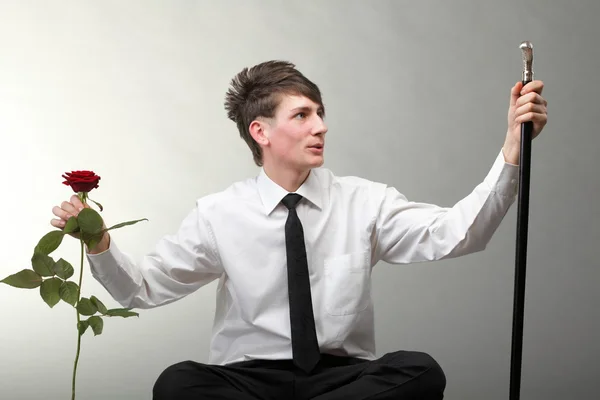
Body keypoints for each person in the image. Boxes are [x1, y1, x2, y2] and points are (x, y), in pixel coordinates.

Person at [51, 60, 547, 399]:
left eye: (320, 113)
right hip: (248, 381)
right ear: (261, 131)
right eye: (303, 115)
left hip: (343, 381)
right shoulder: (219, 213)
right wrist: (99, 242)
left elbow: (458, 233)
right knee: (178, 385)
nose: (321, 127)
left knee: (420, 372)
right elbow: (142, 289)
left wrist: (511, 152)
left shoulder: (364, 201)